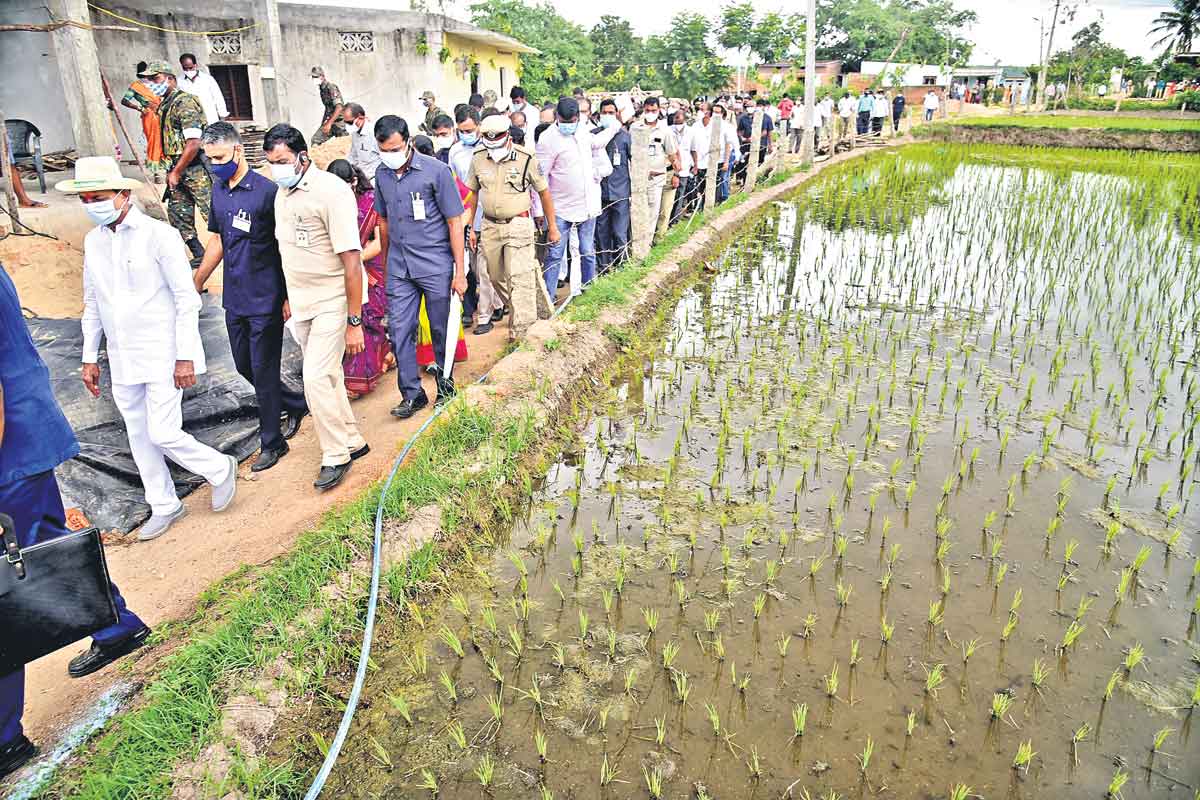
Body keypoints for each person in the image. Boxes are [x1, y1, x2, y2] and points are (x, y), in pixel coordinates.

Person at [0, 262, 151, 781]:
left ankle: (3, 739)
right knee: (42, 539)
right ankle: (117, 627)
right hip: (25, 436)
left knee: (6, 576)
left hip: (10, 448)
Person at [56, 156, 237, 539]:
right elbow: (92, 303)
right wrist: (90, 357)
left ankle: (219, 467)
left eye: (98, 196)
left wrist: (185, 355)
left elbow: (186, 298)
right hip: (123, 356)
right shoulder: (94, 241)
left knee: (163, 432)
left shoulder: (159, 235)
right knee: (138, 433)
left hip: (163, 352)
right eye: (85, 199)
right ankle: (164, 503)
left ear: (123, 194)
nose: (92, 205)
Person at [194, 123, 308, 472]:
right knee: (244, 365)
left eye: (220, 157)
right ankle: (296, 402)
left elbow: (285, 248)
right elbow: (216, 241)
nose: (215, 164)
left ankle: (272, 441)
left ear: (239, 151)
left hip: (266, 297)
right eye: (209, 159)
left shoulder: (267, 192)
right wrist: (196, 281)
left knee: (263, 366)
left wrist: (288, 296)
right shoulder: (219, 191)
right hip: (235, 296)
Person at [264, 124, 369, 491]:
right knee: (329, 377)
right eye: (271, 162)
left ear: (302, 156)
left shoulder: (332, 192)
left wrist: (354, 321)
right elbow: (289, 249)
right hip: (304, 301)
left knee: (314, 377)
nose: (276, 168)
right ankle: (353, 439)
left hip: (333, 298)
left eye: (282, 161)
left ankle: (335, 454)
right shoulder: (282, 193)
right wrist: (290, 297)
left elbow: (352, 261)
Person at [372, 115, 467, 418]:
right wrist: (386, 265)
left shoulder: (436, 172)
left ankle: (445, 385)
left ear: (409, 142)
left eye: (396, 148)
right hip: (400, 267)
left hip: (435, 263)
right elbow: (384, 223)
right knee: (400, 330)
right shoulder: (382, 175)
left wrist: (460, 271)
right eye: (384, 150)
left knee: (440, 328)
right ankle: (412, 394)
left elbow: (455, 222)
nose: (390, 155)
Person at [466, 113, 559, 341]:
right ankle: (522, 311)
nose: (493, 144)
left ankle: (520, 327)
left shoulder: (526, 158)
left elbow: (544, 193)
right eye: (488, 140)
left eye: (497, 138)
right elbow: (472, 194)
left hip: (518, 225)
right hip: (489, 226)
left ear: (507, 136)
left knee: (515, 275)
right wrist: (470, 227)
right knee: (494, 276)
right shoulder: (478, 158)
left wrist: (552, 226)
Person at [324, 159, 395, 399]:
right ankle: (385, 356)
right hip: (345, 271)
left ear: (354, 182)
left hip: (372, 268)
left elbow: (379, 241)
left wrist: (355, 260)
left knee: (367, 321)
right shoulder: (327, 203)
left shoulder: (372, 201)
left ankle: (359, 381)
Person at [144, 60, 210, 267]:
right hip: (177, 167)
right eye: (149, 80)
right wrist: (172, 170)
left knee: (213, 213)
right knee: (178, 213)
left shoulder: (184, 102)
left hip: (195, 168)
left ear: (170, 78)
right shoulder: (165, 105)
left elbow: (193, 143)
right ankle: (199, 253)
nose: (151, 84)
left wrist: (177, 171)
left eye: (155, 79)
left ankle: (236, 254)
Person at [536, 97, 599, 299]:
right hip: (559, 207)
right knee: (555, 253)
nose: (569, 126)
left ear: (578, 118)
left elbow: (597, 145)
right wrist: (539, 210)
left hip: (587, 203)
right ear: (557, 118)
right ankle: (549, 296)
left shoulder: (582, 131)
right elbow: (540, 178)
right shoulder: (547, 139)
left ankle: (591, 293)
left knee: (587, 250)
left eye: (572, 122)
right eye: (565, 122)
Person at [449, 107, 503, 333]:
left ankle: (484, 317)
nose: (466, 134)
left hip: (490, 217)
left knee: (485, 269)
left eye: (470, 130)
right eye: (462, 131)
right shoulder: (455, 152)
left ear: (479, 127)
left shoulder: (492, 149)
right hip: (464, 219)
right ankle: (492, 305)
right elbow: (454, 187)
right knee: (470, 268)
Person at [631, 96, 680, 243]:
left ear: (659, 110)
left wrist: (676, 172)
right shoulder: (635, 127)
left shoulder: (665, 131)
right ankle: (636, 242)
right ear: (643, 110)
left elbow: (672, 155)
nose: (650, 113)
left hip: (656, 178)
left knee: (653, 211)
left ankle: (646, 244)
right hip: (638, 177)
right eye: (647, 110)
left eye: (653, 110)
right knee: (638, 210)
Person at [595, 98, 631, 272]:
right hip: (599, 192)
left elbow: (635, 163)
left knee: (619, 232)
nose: (608, 116)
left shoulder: (625, 137)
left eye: (611, 112)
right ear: (599, 114)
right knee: (601, 232)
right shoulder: (593, 135)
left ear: (617, 114)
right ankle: (603, 266)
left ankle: (622, 265)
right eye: (604, 113)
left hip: (621, 192)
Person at [120, 61, 168, 176]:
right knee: (153, 141)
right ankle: (156, 171)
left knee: (165, 139)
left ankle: (166, 168)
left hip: (163, 114)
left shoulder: (157, 83)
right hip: (149, 116)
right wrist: (140, 108)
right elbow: (124, 101)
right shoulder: (136, 86)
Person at [689, 102, 734, 212]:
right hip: (699, 162)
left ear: (709, 112)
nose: (701, 112)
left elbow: (728, 144)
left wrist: (726, 161)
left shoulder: (722, 126)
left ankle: (710, 209)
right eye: (699, 109)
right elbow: (692, 146)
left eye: (703, 109)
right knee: (701, 187)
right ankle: (701, 208)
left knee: (714, 187)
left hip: (716, 161)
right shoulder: (695, 126)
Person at [177, 53, 228, 126]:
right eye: (185, 68)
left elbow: (218, 97)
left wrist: (222, 115)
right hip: (191, 121)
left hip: (210, 119)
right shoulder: (179, 82)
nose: (188, 71)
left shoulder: (208, 79)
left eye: (190, 68)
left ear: (195, 65)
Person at [342, 102, 381, 184]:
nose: (347, 126)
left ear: (360, 117)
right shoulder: (355, 134)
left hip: (375, 179)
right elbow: (353, 157)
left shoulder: (375, 133)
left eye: (350, 122)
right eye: (345, 122)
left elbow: (385, 159)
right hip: (362, 178)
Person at [669, 107, 695, 224]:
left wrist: (695, 165)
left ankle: (675, 221)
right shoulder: (668, 130)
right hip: (670, 167)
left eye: (679, 117)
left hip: (684, 166)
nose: (676, 119)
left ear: (684, 119)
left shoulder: (691, 131)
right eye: (675, 117)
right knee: (670, 195)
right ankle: (668, 219)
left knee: (680, 195)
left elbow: (693, 149)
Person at [310, 66, 347, 146]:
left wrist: (329, 124)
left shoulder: (331, 87)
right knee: (315, 140)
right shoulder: (322, 90)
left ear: (322, 76)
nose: (314, 79)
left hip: (339, 123)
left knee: (344, 145)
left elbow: (339, 107)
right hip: (330, 121)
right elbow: (328, 108)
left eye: (316, 77)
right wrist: (324, 123)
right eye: (313, 77)